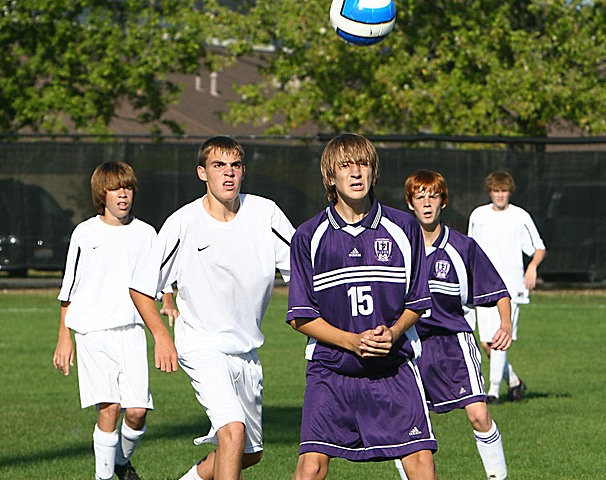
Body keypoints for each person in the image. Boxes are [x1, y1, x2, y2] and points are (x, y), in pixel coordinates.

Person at [129, 136, 295, 480]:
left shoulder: (264, 213)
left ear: (243, 171)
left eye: (235, 165)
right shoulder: (183, 222)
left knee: (248, 454)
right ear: (202, 173)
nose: (228, 173)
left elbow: (303, 269)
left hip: (247, 352)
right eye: (219, 166)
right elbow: (141, 287)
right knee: (232, 431)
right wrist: (161, 337)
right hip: (202, 346)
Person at [286, 133, 437, 480]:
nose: (356, 174)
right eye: (345, 166)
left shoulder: (404, 227)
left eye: (363, 164)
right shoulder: (309, 236)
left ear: (374, 172)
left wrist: (394, 332)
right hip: (330, 370)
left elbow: (416, 301)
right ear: (330, 177)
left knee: (421, 461)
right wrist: (350, 342)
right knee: (311, 465)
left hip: (394, 368)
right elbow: (301, 316)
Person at [52, 161, 177, 480]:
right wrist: (64, 337)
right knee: (108, 408)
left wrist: (168, 301)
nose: (123, 194)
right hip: (94, 334)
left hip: (132, 333)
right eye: (115, 188)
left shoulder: (147, 233)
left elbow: (160, 277)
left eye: (128, 188)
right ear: (101, 194)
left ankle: (121, 462)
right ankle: (104, 476)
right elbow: (70, 287)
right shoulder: (85, 233)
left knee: (136, 413)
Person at [397, 169, 512, 480]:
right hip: (408, 344)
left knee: (479, 414)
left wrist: (505, 324)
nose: (426, 203)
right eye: (419, 197)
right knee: (407, 428)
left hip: (453, 342)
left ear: (443, 201)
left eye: (432, 196)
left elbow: (498, 291)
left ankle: (498, 477)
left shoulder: (462, 247)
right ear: (410, 203)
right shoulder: (396, 248)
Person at [467, 170, 546, 403]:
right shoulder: (478, 215)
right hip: (482, 287)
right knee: (486, 342)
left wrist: (532, 268)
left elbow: (538, 248)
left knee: (500, 336)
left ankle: (492, 391)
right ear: (490, 192)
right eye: (496, 191)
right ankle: (513, 380)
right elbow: (469, 248)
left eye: (503, 191)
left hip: (511, 288)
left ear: (509, 192)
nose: (500, 195)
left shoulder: (519, 216)